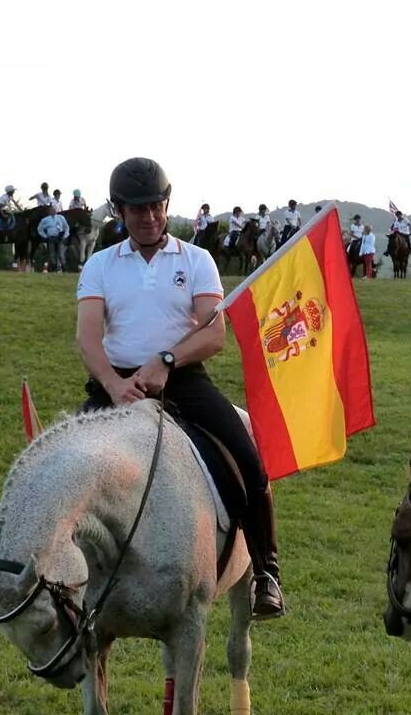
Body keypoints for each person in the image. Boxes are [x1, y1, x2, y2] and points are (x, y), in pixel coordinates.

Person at [75, 157, 284, 619]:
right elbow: (88, 337)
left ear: (167, 205)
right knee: (65, 468)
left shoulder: (197, 260)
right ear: (119, 211)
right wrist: (114, 384)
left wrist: (168, 360)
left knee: (248, 459)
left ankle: (267, 572)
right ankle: (56, 577)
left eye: (155, 206)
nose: (148, 217)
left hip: (182, 379)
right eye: (136, 209)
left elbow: (214, 334)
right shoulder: (101, 265)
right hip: (116, 383)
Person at [37, 204, 70, 273]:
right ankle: (54, 268)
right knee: (52, 254)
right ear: (49, 211)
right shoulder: (45, 220)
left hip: (60, 237)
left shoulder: (61, 218)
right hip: (51, 238)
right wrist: (45, 236)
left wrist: (65, 235)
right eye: (51, 210)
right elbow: (39, 229)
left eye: (54, 210)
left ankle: (64, 268)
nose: (53, 211)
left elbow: (66, 227)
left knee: (61, 254)